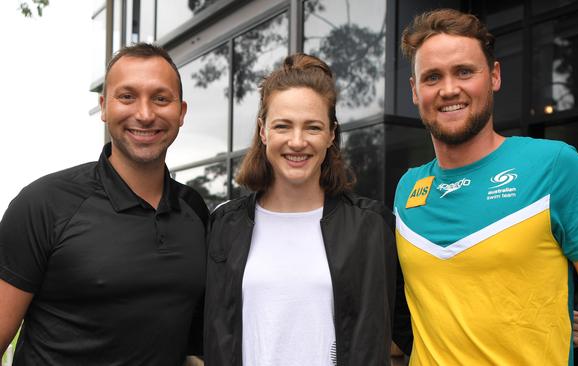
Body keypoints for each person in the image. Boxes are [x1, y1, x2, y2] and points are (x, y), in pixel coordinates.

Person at [394, 8, 578, 365]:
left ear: (494, 76)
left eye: (464, 72)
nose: (449, 89)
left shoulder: (555, 166)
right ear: (415, 91)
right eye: (432, 77)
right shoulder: (407, 189)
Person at [0, 43, 208, 365]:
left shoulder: (194, 210)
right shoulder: (43, 204)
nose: (145, 113)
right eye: (127, 96)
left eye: (160, 98)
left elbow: (190, 345)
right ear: (104, 107)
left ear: (180, 113)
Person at [204, 53, 411, 366]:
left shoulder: (371, 226)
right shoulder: (224, 225)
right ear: (263, 131)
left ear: (330, 134)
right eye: (283, 126)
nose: (297, 141)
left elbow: (414, 327)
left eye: (313, 127)